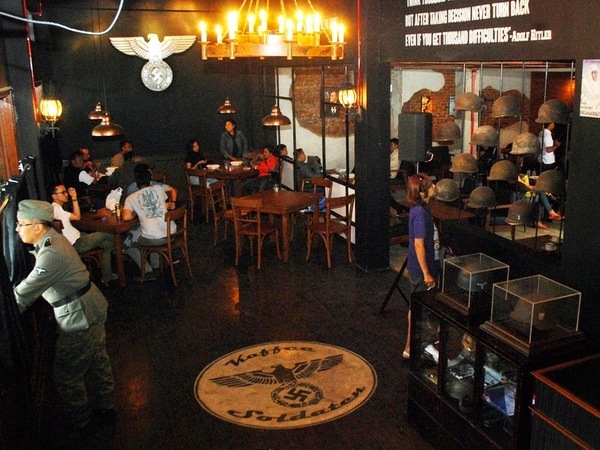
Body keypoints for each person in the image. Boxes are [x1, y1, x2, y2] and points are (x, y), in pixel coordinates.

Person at [13, 200, 115, 431]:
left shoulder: (51, 254)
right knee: (97, 360)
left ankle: (82, 422)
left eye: (21, 224)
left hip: (79, 316)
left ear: (37, 226)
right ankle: (107, 408)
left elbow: (22, 296)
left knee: (66, 374)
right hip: (90, 306)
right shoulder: (53, 239)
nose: (17, 229)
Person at [403, 173, 440, 359]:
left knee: (419, 307)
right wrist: (426, 273)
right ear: (423, 191)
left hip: (423, 268)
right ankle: (411, 347)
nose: (434, 187)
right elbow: (419, 244)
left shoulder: (421, 209)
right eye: (431, 185)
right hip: (421, 271)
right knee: (418, 308)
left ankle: (419, 345)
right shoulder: (419, 213)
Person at [49, 182, 116, 280]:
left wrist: (74, 198)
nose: (66, 194)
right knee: (109, 234)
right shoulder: (55, 210)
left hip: (79, 238)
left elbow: (77, 217)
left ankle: (107, 276)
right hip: (77, 243)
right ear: (54, 196)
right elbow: (55, 222)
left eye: (66, 192)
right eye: (63, 192)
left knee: (107, 244)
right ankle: (123, 251)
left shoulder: (57, 209)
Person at [122, 166, 177, 280]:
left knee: (127, 244)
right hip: (171, 233)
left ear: (136, 182)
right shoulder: (159, 189)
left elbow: (126, 217)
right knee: (150, 230)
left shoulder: (131, 198)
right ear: (150, 180)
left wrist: (136, 211)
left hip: (154, 238)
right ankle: (156, 267)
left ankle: (148, 271)